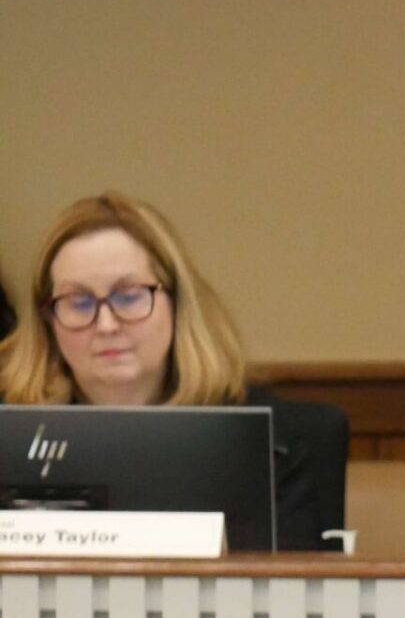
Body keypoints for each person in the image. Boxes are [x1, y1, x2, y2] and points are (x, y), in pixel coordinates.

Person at [0, 193, 346, 551]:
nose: (105, 324)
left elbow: (296, 595)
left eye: (129, 295)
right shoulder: (8, 435)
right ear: (47, 320)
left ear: (177, 303)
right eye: (78, 301)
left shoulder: (271, 444)